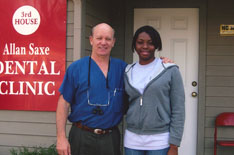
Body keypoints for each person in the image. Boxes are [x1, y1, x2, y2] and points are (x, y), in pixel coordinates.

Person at [56, 23, 172, 155]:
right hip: (81, 135)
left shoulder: (124, 69)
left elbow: (146, 79)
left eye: (108, 39)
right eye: (99, 38)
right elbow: (63, 103)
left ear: (113, 42)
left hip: (110, 138)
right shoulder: (76, 68)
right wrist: (61, 138)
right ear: (91, 40)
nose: (103, 43)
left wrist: (162, 64)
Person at [123, 25, 185, 155]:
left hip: (160, 140)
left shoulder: (169, 70)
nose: (145, 46)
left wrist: (174, 144)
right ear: (134, 45)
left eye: (150, 43)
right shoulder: (127, 71)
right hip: (132, 139)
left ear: (156, 46)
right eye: (140, 42)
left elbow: (178, 110)